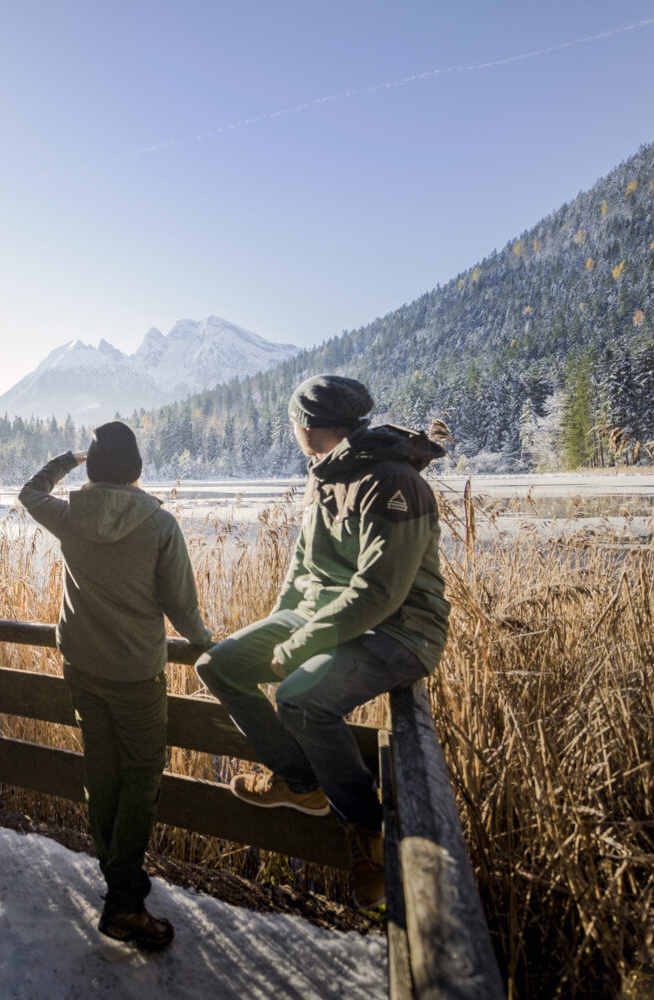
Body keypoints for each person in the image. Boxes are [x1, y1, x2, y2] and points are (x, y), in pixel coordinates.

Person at [194, 375, 449, 909]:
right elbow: (302, 569)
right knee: (219, 665)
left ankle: (365, 830)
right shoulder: (326, 476)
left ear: (307, 426)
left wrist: (306, 640)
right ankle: (301, 780)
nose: (293, 432)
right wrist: (280, 623)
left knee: (299, 700)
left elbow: (379, 591)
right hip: (324, 617)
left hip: (398, 630)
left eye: (294, 423)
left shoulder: (391, 480)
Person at [19, 420, 213, 950]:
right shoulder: (160, 525)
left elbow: (28, 492)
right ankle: (124, 901)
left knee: (101, 772)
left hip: (82, 668)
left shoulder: (69, 516)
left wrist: (67, 459)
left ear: (97, 466)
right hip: (134, 675)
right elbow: (183, 610)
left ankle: (116, 881)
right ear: (137, 470)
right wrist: (210, 643)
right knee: (142, 776)